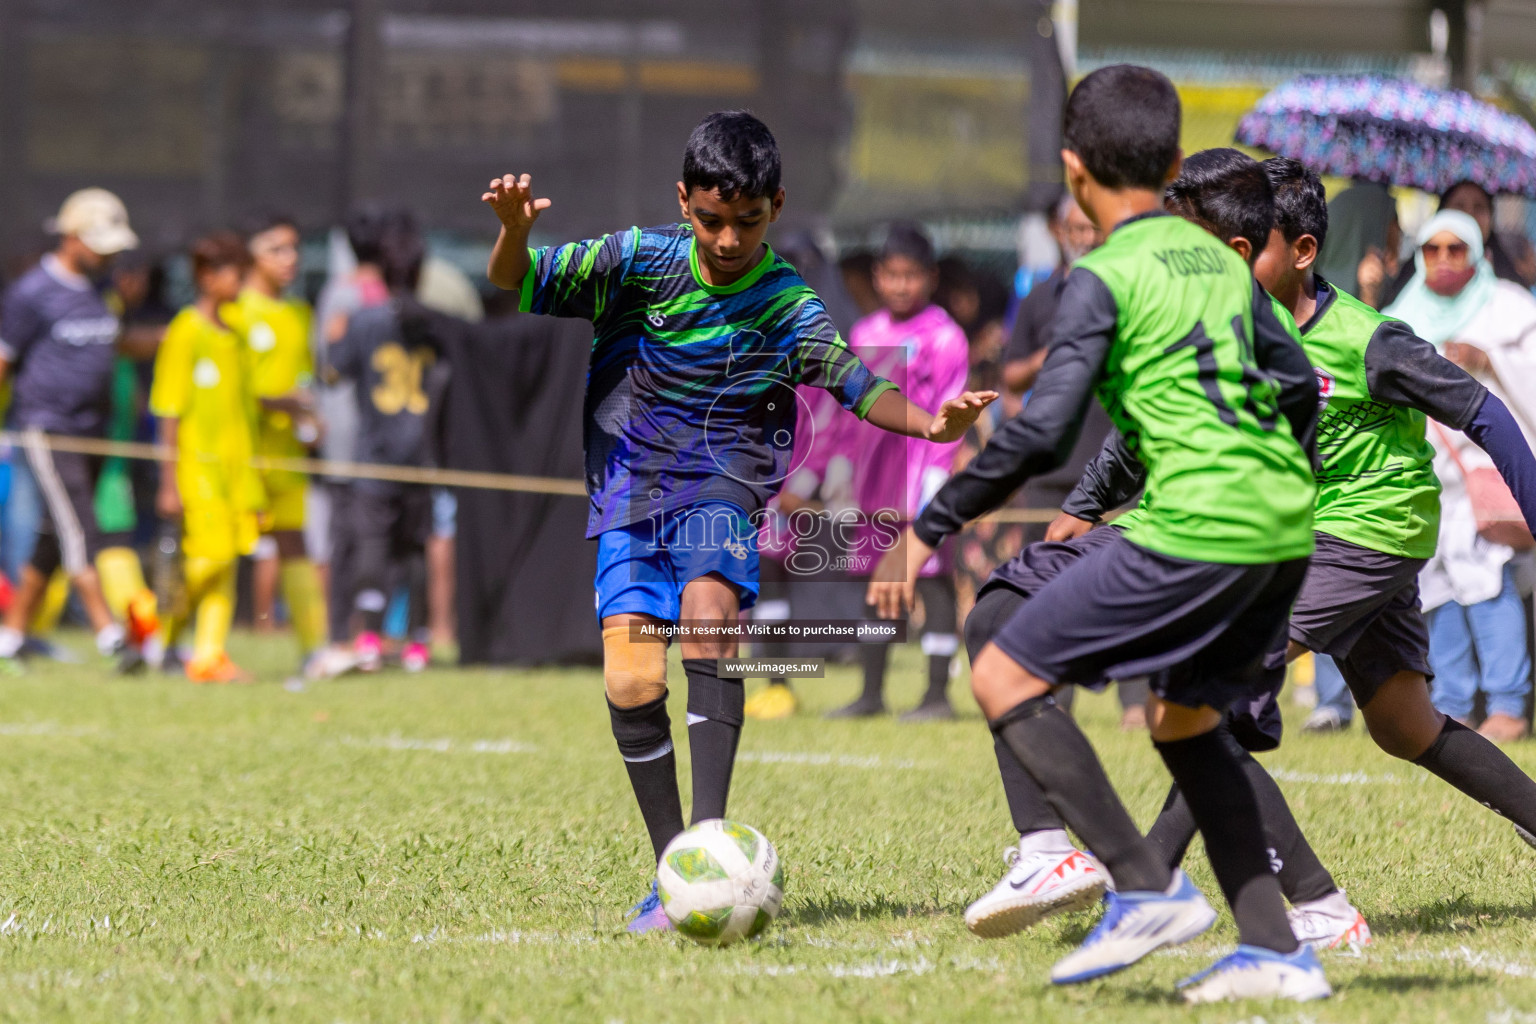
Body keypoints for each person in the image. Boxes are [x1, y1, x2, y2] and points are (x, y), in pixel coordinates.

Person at [870, 69, 1331, 1002]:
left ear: (1075, 173)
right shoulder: (1220, 264)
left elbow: (1039, 432)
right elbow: (1293, 382)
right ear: (1169, 166)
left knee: (1000, 660)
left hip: (1208, 522)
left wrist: (927, 528)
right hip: (1285, 521)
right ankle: (1279, 951)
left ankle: (1143, 886)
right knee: (1182, 718)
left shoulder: (1105, 277)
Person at [482, 110, 995, 932]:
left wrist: (931, 424)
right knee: (633, 681)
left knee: (712, 621)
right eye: (712, 219)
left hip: (724, 485)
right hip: (630, 493)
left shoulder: (786, 299)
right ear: (683, 201)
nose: (727, 238)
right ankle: (672, 869)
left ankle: (709, 836)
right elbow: (518, 278)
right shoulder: (635, 260)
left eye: (747, 222)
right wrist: (511, 233)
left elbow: (854, 382)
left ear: (776, 207)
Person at [1058, 164, 1536, 920]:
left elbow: (1485, 413)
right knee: (1403, 724)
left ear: (1303, 250)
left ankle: (1148, 880)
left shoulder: (1369, 341)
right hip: (1309, 531)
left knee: (1214, 688)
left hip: (1371, 530)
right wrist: (1083, 507)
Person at [958, 150, 1366, 957]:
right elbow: (1141, 434)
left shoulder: (1255, 324)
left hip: (1215, 545)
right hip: (1188, 534)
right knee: (1182, 715)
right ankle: (1270, 913)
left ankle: (1155, 884)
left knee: (1173, 712)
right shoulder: (1208, 310)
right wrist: (1083, 508)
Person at [1386, 209, 1536, 742]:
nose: (1444, 259)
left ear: (1477, 253)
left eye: (1457, 248)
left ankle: (1508, 705)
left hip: (1483, 474)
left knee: (1487, 580)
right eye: (1432, 249)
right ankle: (1452, 702)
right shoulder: (1398, 315)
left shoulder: (1510, 310)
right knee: (1436, 585)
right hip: (1425, 480)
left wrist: (1488, 360)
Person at [999, 191, 1146, 729]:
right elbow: (1010, 377)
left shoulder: (1126, 293)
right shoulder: (1039, 298)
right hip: (1050, 474)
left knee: (1127, 587)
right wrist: (1054, 352)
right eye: (1075, 230)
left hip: (1118, 470)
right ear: (1060, 232)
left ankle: (1135, 700)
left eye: (1093, 230)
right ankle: (1054, 699)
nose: (1084, 238)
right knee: (1048, 590)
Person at [824, 222, 970, 722]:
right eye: (892, 275)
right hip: (872, 486)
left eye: (911, 276)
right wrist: (841, 472)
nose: (901, 285)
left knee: (931, 580)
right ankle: (870, 691)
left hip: (922, 481)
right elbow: (849, 416)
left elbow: (951, 418)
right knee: (875, 580)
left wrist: (935, 486)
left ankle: (936, 695)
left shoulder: (945, 337)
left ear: (929, 277)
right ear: (878, 276)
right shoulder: (866, 334)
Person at [0, 189, 138, 663]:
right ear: (72, 238)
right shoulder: (31, 293)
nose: (110, 253)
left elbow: (116, 345)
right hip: (45, 427)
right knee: (80, 522)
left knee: (53, 534)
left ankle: (12, 634)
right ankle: (109, 632)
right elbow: (3, 359)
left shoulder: (104, 288)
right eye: (101, 244)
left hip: (94, 428)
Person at [331, 210, 447, 673]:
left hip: (375, 456)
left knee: (374, 547)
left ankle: (371, 637)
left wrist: (335, 335)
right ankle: (418, 642)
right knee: (416, 549)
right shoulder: (437, 324)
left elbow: (335, 369)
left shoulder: (363, 320)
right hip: (423, 455)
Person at [149, 232, 265, 683]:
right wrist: (167, 480)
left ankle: (206, 655)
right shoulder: (185, 331)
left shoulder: (235, 334)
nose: (241, 283)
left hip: (240, 472)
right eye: (236, 274)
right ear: (207, 277)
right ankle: (151, 620)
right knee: (209, 558)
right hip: (196, 471)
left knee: (228, 566)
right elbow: (168, 410)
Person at [226, 214, 328, 680]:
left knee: (295, 546)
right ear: (251, 256)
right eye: (276, 250)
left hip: (285, 457)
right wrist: (279, 400)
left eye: (294, 249)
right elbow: (234, 390)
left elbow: (304, 383)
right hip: (238, 456)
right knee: (216, 550)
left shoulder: (298, 313)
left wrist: (309, 418)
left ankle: (315, 650)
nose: (290, 260)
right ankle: (183, 647)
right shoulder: (235, 311)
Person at [1379, 180, 1529, 308]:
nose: (1469, 214)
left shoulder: (1512, 295)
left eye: (1479, 208)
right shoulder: (1411, 288)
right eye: (1459, 206)